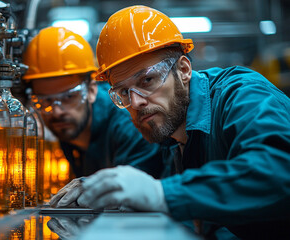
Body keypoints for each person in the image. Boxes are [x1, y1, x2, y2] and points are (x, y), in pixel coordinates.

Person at [56, 5, 290, 240]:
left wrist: (161, 194)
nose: (136, 102)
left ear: (184, 69)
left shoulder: (241, 96)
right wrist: (103, 188)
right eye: (124, 92)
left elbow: (278, 172)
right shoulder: (173, 135)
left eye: (147, 80)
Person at [22, 26, 167, 207]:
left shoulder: (129, 125)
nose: (57, 111)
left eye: (68, 97)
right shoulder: (70, 127)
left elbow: (133, 201)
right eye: (45, 101)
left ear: (91, 90)